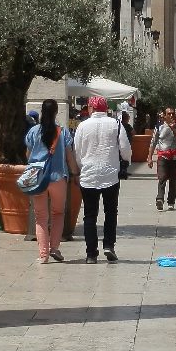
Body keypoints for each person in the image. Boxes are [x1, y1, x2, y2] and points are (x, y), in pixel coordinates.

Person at [75, 96, 131, 263]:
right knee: (111, 212)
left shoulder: (82, 126)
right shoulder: (116, 124)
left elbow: (77, 151)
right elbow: (125, 149)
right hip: (110, 175)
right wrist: (126, 161)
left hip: (88, 175)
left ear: (91, 109)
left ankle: (91, 254)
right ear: (106, 109)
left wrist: (82, 167)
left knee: (89, 215)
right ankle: (109, 245)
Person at [24, 98, 78, 263]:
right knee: (58, 213)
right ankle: (54, 247)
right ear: (56, 112)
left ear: (42, 111)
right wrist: (75, 173)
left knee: (40, 216)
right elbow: (69, 157)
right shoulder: (63, 132)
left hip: (38, 178)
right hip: (58, 178)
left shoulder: (33, 131)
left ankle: (43, 254)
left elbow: (28, 155)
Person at [147, 107, 176, 210]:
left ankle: (171, 202)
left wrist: (173, 129)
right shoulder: (159, 127)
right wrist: (149, 157)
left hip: (175, 157)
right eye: (169, 114)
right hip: (163, 156)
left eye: (173, 114)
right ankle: (160, 198)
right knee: (162, 178)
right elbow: (153, 142)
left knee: (173, 180)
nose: (171, 116)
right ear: (164, 116)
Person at [118, 111, 134, 180]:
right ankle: (123, 172)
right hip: (126, 143)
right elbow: (133, 132)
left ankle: (123, 171)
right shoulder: (127, 125)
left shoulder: (120, 125)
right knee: (125, 158)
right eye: (128, 117)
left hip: (120, 144)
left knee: (121, 158)